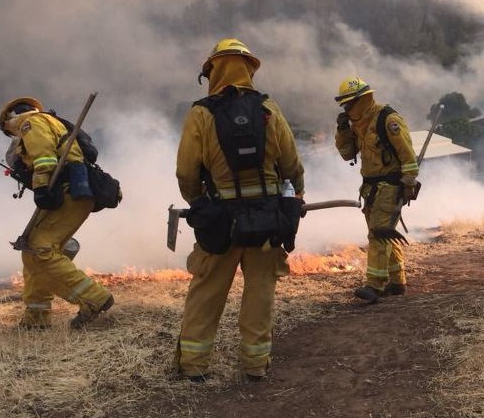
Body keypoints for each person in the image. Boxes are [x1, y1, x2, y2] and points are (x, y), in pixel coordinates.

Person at [174, 38, 305, 382]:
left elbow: (187, 172)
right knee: (260, 290)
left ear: (213, 69)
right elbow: (292, 164)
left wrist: (200, 205)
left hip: (221, 221)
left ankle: (193, 366)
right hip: (268, 217)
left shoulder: (201, 113)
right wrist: (295, 201)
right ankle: (255, 365)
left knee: (207, 289)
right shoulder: (268, 110)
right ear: (249, 69)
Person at [0, 97, 114, 329]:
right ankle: (36, 318)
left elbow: (44, 156)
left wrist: (41, 187)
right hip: (68, 192)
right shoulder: (46, 120)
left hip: (67, 191)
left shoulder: (30, 122)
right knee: (31, 249)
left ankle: (94, 298)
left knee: (39, 250)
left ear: (8, 119)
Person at [333, 77, 419, 303]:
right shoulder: (357, 126)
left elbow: (408, 157)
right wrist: (343, 131)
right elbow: (347, 155)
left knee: (379, 233)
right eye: (344, 105)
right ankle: (397, 282)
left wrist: (408, 185)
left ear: (363, 99)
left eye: (349, 104)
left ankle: (374, 286)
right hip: (370, 188)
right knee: (385, 234)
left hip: (391, 186)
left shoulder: (388, 119)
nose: (347, 109)